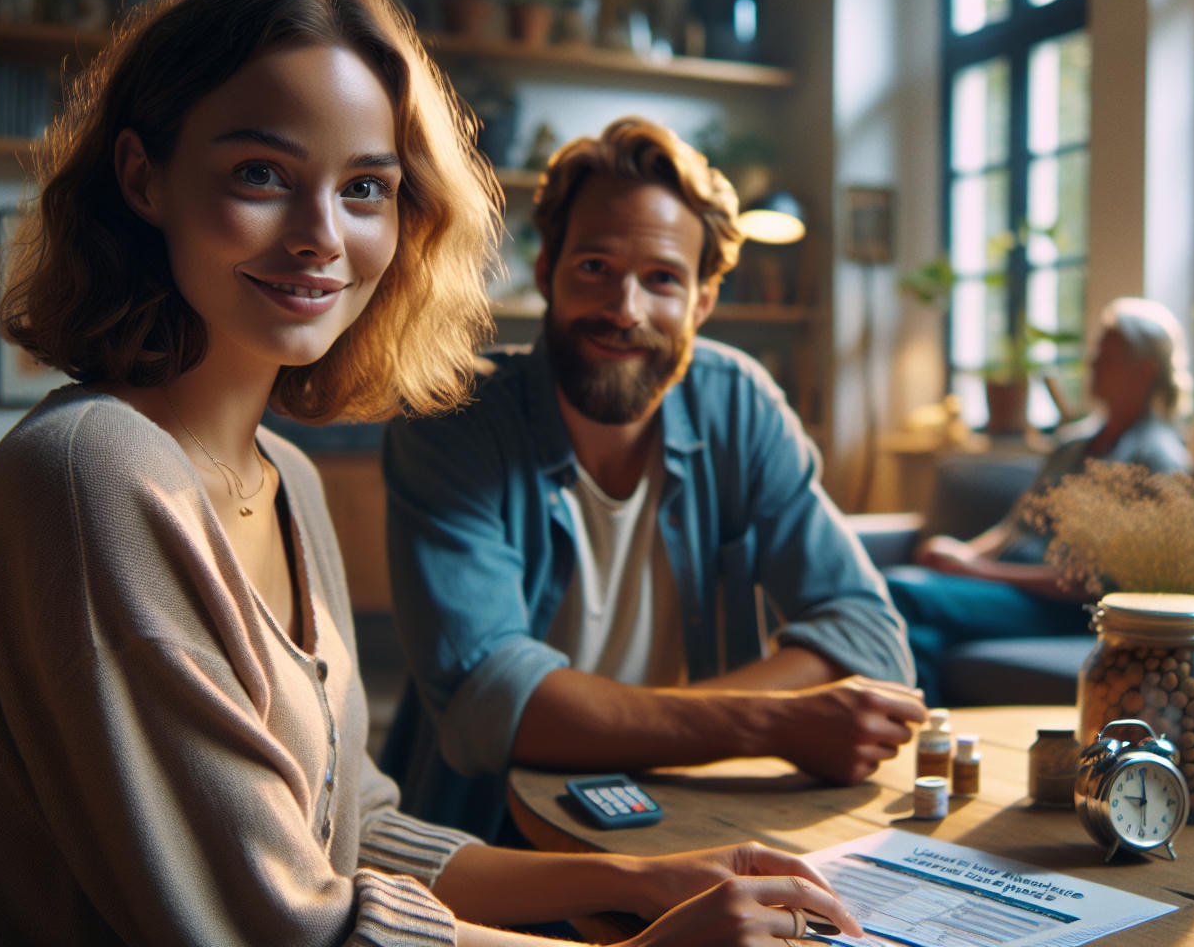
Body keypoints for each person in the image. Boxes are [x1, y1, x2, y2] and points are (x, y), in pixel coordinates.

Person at [0, 0, 866, 947]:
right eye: (261, 173)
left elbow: (357, 832)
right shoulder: (92, 471)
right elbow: (286, 929)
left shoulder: (287, 481)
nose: (322, 237)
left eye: (365, 188)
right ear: (143, 177)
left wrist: (641, 880)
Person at [381, 117, 925, 841]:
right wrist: (771, 721)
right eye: (594, 267)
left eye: (662, 279)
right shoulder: (452, 421)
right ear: (546, 273)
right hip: (495, 834)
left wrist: (629, 726)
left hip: (690, 817)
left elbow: (871, 639)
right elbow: (489, 703)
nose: (624, 311)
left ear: (702, 303)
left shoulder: (738, 404)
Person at [884, 297, 1194, 704]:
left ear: (1144, 370)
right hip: (1010, 589)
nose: (1092, 363)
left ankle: (916, 725)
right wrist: (961, 554)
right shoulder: (1070, 447)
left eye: (1107, 355)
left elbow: (1097, 581)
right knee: (923, 634)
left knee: (899, 590)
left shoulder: (1157, 459)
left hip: (1064, 610)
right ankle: (925, 730)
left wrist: (978, 570)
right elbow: (1014, 527)